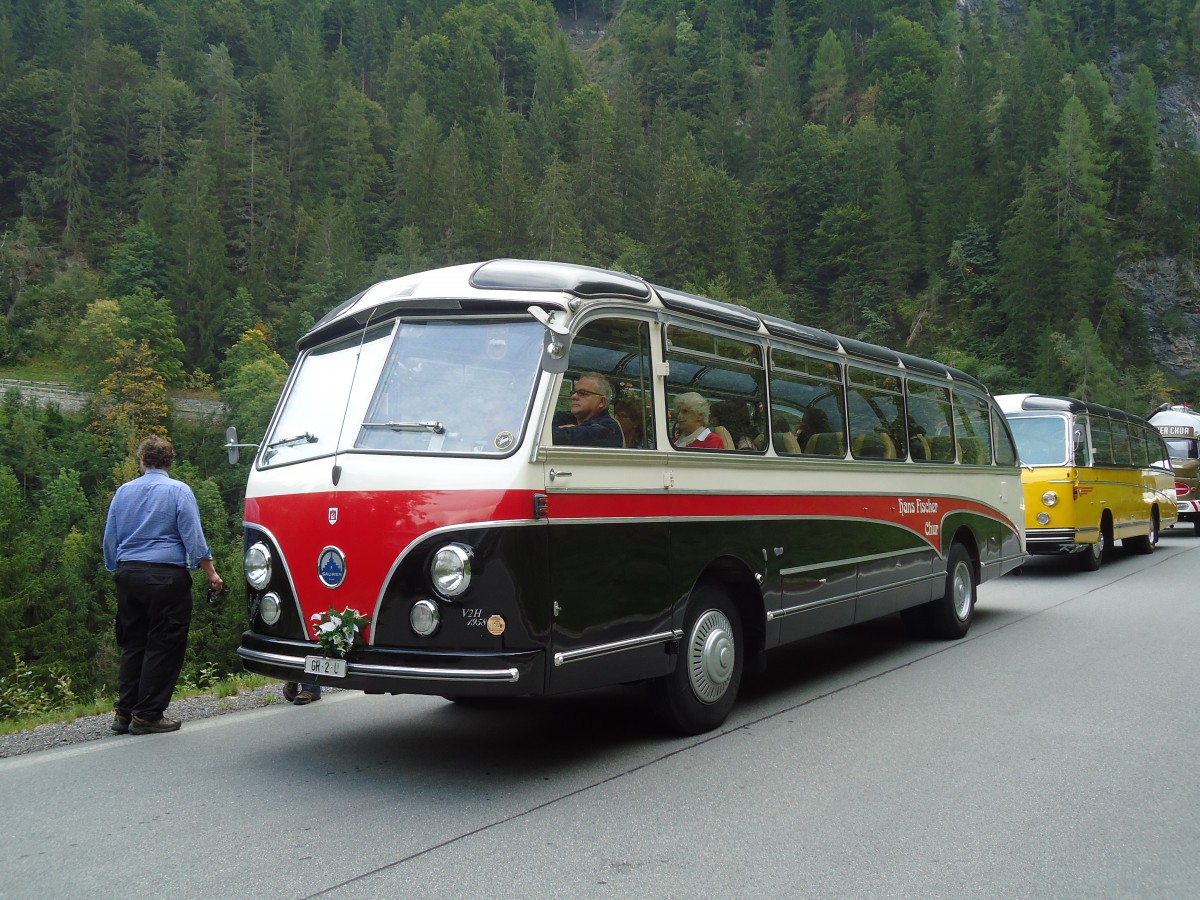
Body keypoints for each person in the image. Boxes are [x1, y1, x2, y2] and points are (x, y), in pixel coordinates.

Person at [103, 434, 223, 736]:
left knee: (133, 643)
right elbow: (193, 537)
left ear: (142, 461)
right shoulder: (179, 490)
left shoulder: (123, 491)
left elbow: (110, 538)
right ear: (169, 462)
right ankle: (148, 715)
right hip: (167, 578)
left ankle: (124, 712)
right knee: (164, 644)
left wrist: (117, 569)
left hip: (129, 575)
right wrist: (210, 573)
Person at [552, 372, 623, 447]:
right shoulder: (565, 417)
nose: (573, 396)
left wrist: (561, 430)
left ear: (601, 402)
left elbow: (560, 436)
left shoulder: (608, 428)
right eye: (573, 392)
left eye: (583, 393)